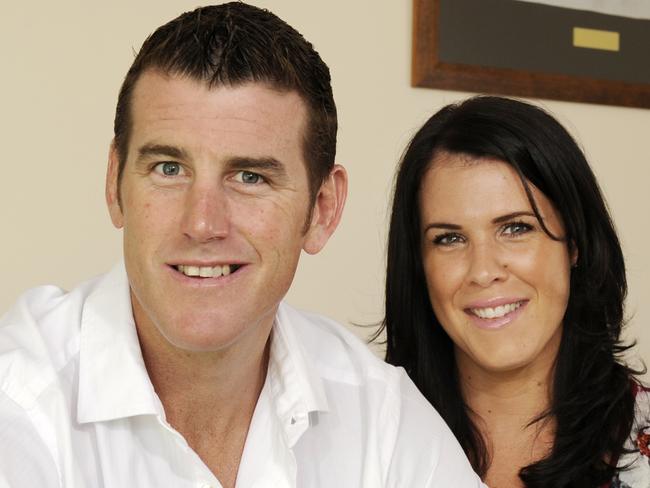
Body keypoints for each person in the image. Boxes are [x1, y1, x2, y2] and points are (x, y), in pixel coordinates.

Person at [0, 3, 486, 488]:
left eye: (250, 176)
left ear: (322, 209)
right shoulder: (19, 400)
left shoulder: (380, 413)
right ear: (115, 183)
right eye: (169, 169)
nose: (203, 222)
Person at [380, 95, 649, 487]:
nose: (484, 271)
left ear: (574, 244)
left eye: (516, 228)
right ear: (418, 265)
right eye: (450, 238)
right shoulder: (363, 433)